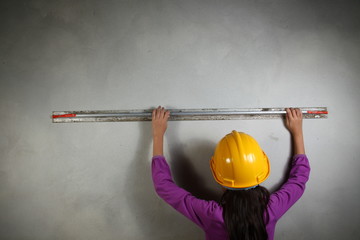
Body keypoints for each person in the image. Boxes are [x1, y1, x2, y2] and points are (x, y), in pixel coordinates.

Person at [151, 106, 310, 240]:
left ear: (216, 171)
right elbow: (299, 179)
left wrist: (158, 134)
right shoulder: (271, 209)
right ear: (262, 166)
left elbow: (163, 186)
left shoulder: (212, 215)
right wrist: (297, 132)